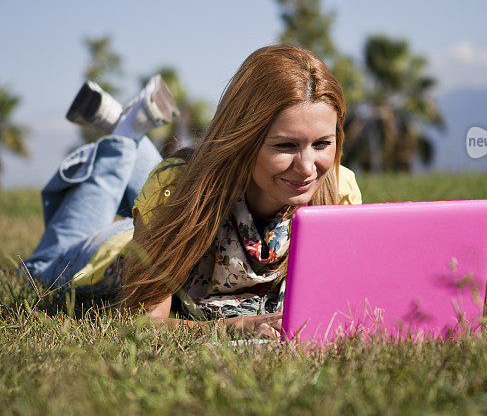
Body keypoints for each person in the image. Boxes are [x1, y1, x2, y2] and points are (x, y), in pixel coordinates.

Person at [20, 44, 361, 338]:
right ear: (243, 138)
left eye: (322, 143)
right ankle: (124, 134)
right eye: (285, 145)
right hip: (115, 250)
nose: (306, 167)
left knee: (177, 182)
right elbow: (143, 323)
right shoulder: (174, 190)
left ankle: (127, 127)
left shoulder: (337, 191)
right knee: (37, 271)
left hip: (170, 217)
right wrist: (240, 326)